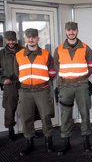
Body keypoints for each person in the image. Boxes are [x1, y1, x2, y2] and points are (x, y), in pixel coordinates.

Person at [54, 22, 92, 155]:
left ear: (77, 31)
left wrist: (84, 77)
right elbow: (56, 68)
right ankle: (66, 142)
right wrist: (60, 83)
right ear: (66, 31)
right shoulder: (59, 49)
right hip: (65, 86)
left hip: (81, 86)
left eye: (73, 30)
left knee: (85, 113)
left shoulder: (85, 47)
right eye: (69, 30)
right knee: (65, 115)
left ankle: (86, 141)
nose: (71, 32)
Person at [15, 28, 56, 156]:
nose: (31, 39)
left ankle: (48, 141)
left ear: (38, 39)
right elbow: (17, 73)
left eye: (34, 37)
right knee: (26, 117)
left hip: (42, 90)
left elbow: (52, 72)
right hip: (25, 91)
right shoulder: (19, 55)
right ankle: (29, 143)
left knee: (46, 116)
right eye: (29, 37)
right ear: (25, 39)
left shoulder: (46, 54)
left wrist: (42, 82)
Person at [0, 31, 22, 141]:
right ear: (5, 40)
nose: (11, 42)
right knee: (9, 108)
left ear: (16, 39)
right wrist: (3, 79)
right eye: (9, 40)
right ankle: (10, 130)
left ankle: (30, 129)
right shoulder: (2, 53)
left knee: (28, 107)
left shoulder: (23, 51)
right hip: (10, 84)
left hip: (23, 83)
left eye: (13, 40)